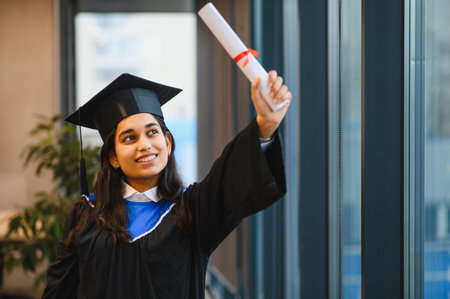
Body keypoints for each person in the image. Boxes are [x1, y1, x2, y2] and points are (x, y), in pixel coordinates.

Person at [42, 70, 292, 299]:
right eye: (129, 138)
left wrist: (265, 124)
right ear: (113, 157)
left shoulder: (192, 209)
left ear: (168, 142)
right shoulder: (85, 216)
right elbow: (58, 291)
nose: (144, 145)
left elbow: (230, 179)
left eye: (152, 132)